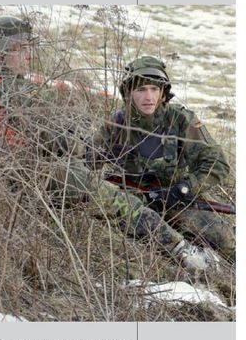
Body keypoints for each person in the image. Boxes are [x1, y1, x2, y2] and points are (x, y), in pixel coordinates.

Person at [0, 17, 216, 273]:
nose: (29, 56)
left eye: (29, 48)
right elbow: (61, 142)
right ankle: (183, 252)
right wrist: (78, 139)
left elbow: (215, 164)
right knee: (124, 205)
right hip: (35, 172)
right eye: (20, 49)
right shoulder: (18, 90)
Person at [91, 55, 234, 264]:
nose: (148, 97)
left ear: (163, 93)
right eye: (140, 90)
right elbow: (86, 161)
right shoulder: (117, 124)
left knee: (224, 239)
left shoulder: (181, 120)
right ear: (128, 93)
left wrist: (184, 189)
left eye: (154, 89)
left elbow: (217, 164)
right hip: (133, 202)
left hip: (177, 200)